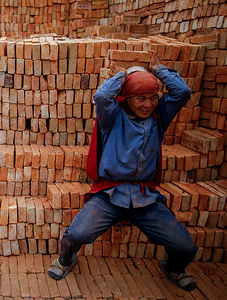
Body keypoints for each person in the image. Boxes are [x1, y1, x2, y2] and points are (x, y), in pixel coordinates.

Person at [48, 50, 198, 292]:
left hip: (145, 198)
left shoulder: (159, 118)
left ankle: (173, 267)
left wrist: (159, 71)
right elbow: (102, 96)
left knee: (186, 248)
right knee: (75, 236)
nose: (148, 104)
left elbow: (182, 92)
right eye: (141, 98)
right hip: (110, 195)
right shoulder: (112, 117)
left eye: (153, 98)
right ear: (126, 98)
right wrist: (121, 75)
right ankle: (65, 259)